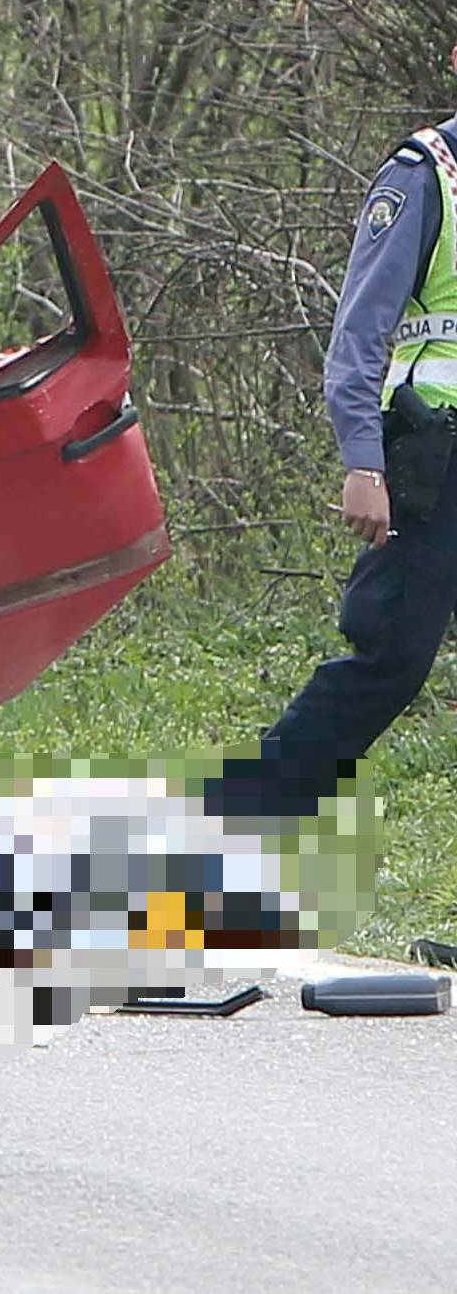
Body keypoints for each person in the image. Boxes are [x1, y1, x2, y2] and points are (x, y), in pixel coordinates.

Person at [207, 58, 457, 822]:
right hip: (432, 458)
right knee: (389, 659)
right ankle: (231, 830)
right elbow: (359, 334)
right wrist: (362, 459)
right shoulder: (427, 175)